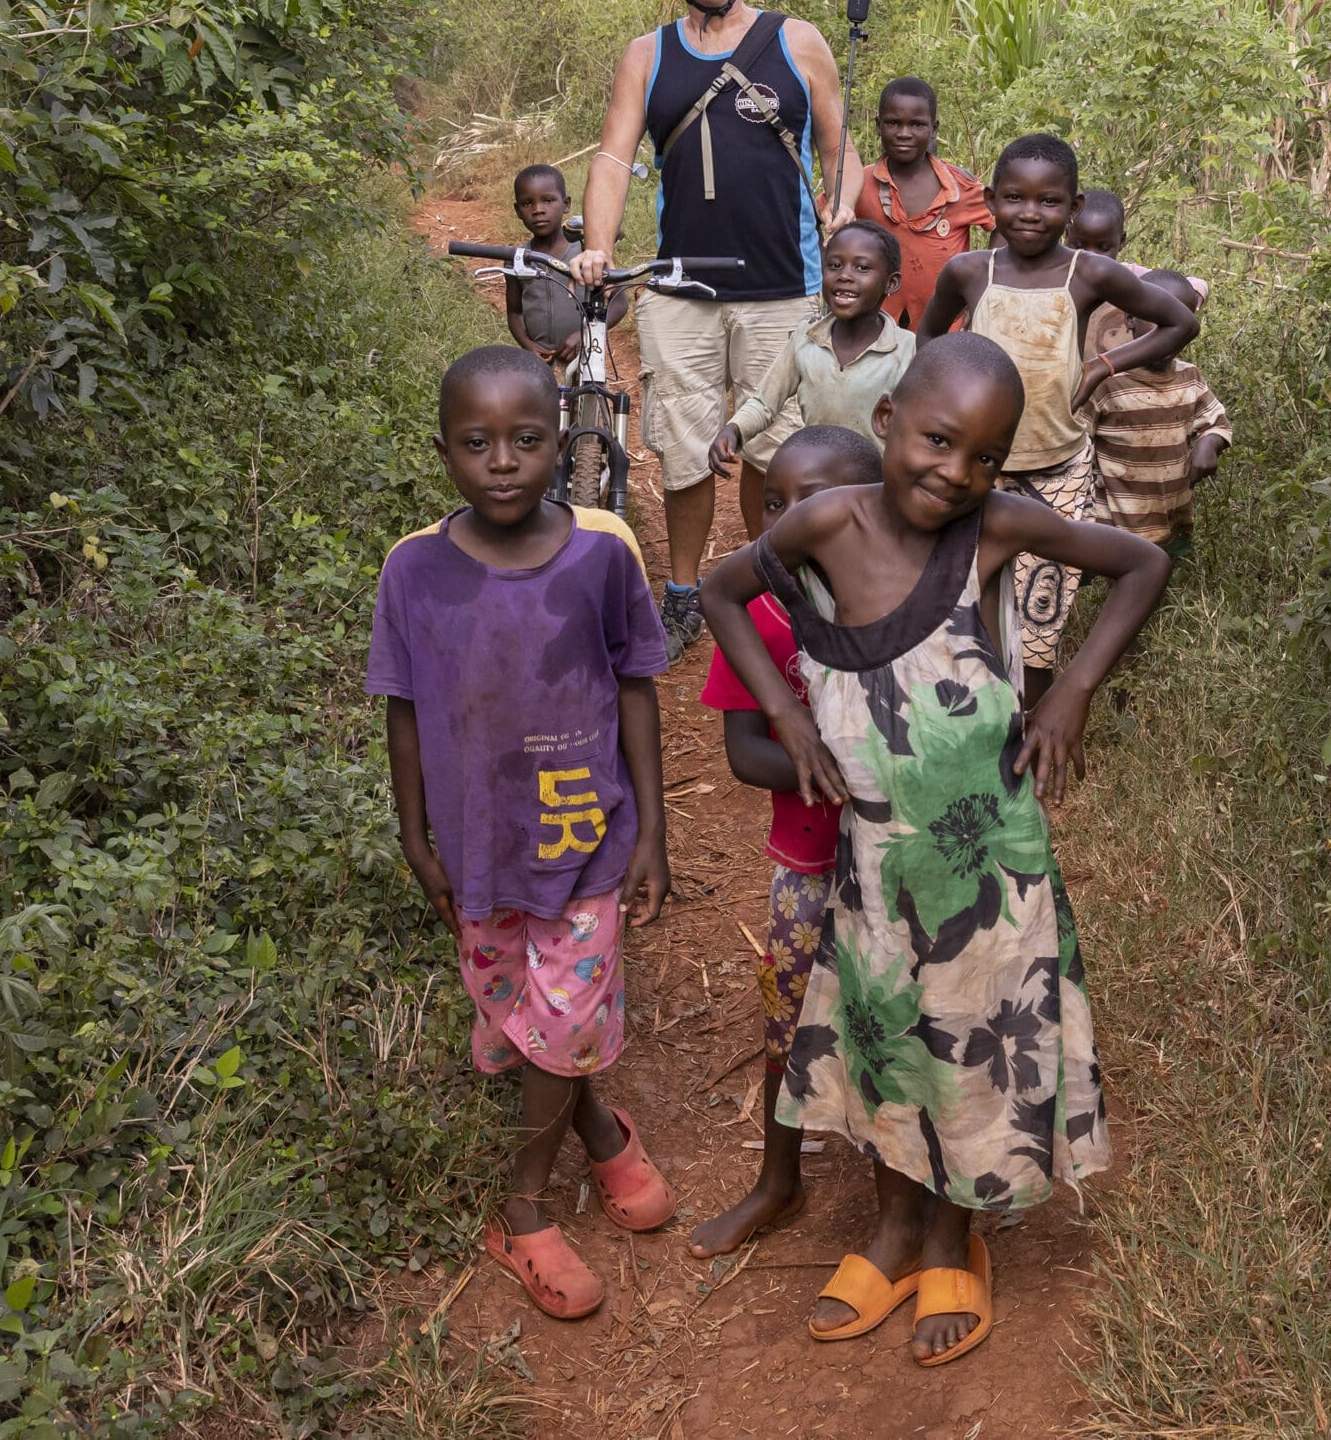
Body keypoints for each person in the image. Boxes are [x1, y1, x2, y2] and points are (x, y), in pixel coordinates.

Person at [699, 333, 1173, 1367]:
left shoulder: (992, 528)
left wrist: (1074, 695)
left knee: (968, 1044)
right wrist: (784, 712)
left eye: (985, 457)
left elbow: (1142, 561)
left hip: (989, 862)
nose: (956, 473)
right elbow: (723, 594)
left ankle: (956, 1237)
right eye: (937, 441)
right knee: (885, 1038)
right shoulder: (825, 520)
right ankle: (894, 1229)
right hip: (873, 861)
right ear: (886, 427)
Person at [367, 344, 678, 1322]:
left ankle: (522, 1208)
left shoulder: (602, 551)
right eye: (476, 442)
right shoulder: (413, 570)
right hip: (479, 850)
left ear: (562, 442)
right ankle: (594, 1118)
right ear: (443, 452)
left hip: (584, 843)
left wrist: (655, 831)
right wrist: (416, 834)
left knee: (567, 1014)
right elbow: (403, 708)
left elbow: (634, 689)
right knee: (517, 1013)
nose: (502, 460)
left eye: (527, 439)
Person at [574, 0, 864, 650]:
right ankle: (684, 592)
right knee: (684, 448)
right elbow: (611, 156)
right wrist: (596, 245)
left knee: (778, 447)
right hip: (681, 289)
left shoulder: (797, 41)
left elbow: (840, 149)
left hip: (786, 287)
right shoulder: (648, 55)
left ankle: (768, 579)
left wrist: (842, 206)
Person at [687, 424, 886, 1261]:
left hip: (897, 865)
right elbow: (743, 753)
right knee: (789, 1013)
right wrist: (838, 767)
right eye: (775, 503)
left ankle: (900, 1195)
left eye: (816, 502)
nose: (790, 521)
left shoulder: (901, 604)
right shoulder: (760, 615)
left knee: (893, 1017)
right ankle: (779, 1180)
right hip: (807, 866)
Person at [918, 134, 1197, 704]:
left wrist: (1103, 364)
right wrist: (940, 405)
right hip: (974, 469)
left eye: (1049, 202)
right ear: (992, 201)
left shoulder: (1088, 274)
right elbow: (928, 337)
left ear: (1072, 210)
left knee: (1039, 616)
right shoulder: (971, 271)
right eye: (1015, 198)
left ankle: (1036, 726)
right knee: (962, 596)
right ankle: (968, 715)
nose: (1029, 213)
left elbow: (1179, 323)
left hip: (1057, 469)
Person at [1063, 190, 1233, 559]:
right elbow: (1079, 441)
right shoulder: (1056, 281)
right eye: (1080, 244)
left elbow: (1193, 287)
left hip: (1170, 504)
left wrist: (1209, 443)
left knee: (1165, 558)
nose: (1092, 258)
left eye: (1104, 247)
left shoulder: (1132, 287)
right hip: (1110, 505)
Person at [707, 222, 914, 483]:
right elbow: (765, 402)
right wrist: (733, 430)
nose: (845, 275)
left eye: (862, 267)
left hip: (878, 490)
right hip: (819, 483)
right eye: (834, 265)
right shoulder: (807, 338)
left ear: (891, 282)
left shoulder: (907, 350)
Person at [853, 77, 992, 329]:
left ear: (934, 128)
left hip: (947, 330)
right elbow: (822, 217)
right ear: (878, 125)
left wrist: (984, 289)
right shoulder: (860, 182)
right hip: (875, 328)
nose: (904, 133)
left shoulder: (961, 187)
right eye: (893, 123)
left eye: (917, 124)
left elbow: (1003, 221)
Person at [503, 163, 604, 370]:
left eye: (548, 200)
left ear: (566, 204)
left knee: (591, 398)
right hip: (540, 365)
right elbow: (515, 312)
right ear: (517, 210)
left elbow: (618, 303)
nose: (538, 210)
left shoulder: (587, 254)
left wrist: (585, 333)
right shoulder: (518, 259)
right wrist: (529, 346)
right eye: (527, 203)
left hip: (585, 357)